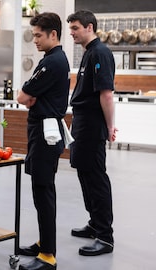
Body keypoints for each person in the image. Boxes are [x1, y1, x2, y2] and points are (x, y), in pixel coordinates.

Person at [16, 12, 70, 270]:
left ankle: (48, 255)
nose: (34, 40)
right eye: (34, 34)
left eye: (38, 35)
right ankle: (43, 241)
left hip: (46, 132)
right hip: (42, 130)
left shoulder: (54, 62)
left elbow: (23, 96)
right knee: (40, 190)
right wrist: (29, 96)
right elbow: (27, 96)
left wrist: (29, 96)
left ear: (53, 35)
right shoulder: (50, 59)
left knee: (43, 190)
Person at [66, 10, 117, 256]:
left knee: (96, 178)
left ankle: (105, 237)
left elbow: (106, 94)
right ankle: (95, 223)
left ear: (89, 27)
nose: (72, 33)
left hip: (93, 125)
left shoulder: (100, 53)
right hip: (82, 123)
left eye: (75, 28)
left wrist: (110, 127)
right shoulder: (88, 53)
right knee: (84, 174)